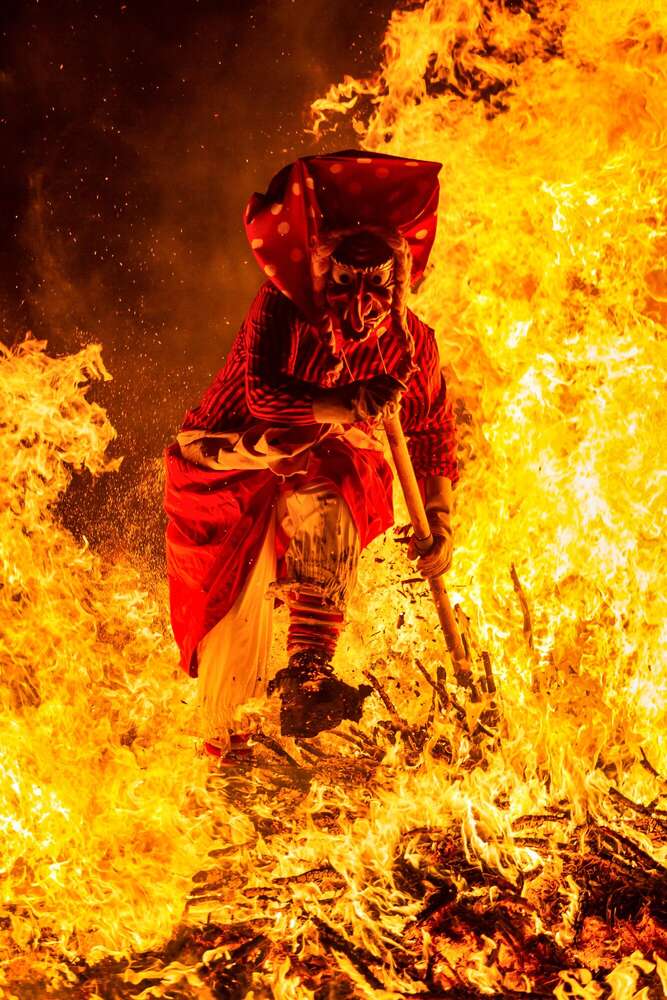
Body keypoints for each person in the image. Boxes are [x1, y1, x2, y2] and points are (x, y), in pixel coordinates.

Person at [164, 150, 458, 761]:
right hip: (227, 463)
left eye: (378, 281)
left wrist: (442, 524)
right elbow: (265, 395)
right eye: (347, 280)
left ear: (399, 282)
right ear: (324, 277)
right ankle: (227, 759)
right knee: (231, 642)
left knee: (341, 470)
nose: (363, 298)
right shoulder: (281, 309)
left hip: (316, 471)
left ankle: (308, 672)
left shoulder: (414, 344)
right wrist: (346, 401)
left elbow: (432, 436)